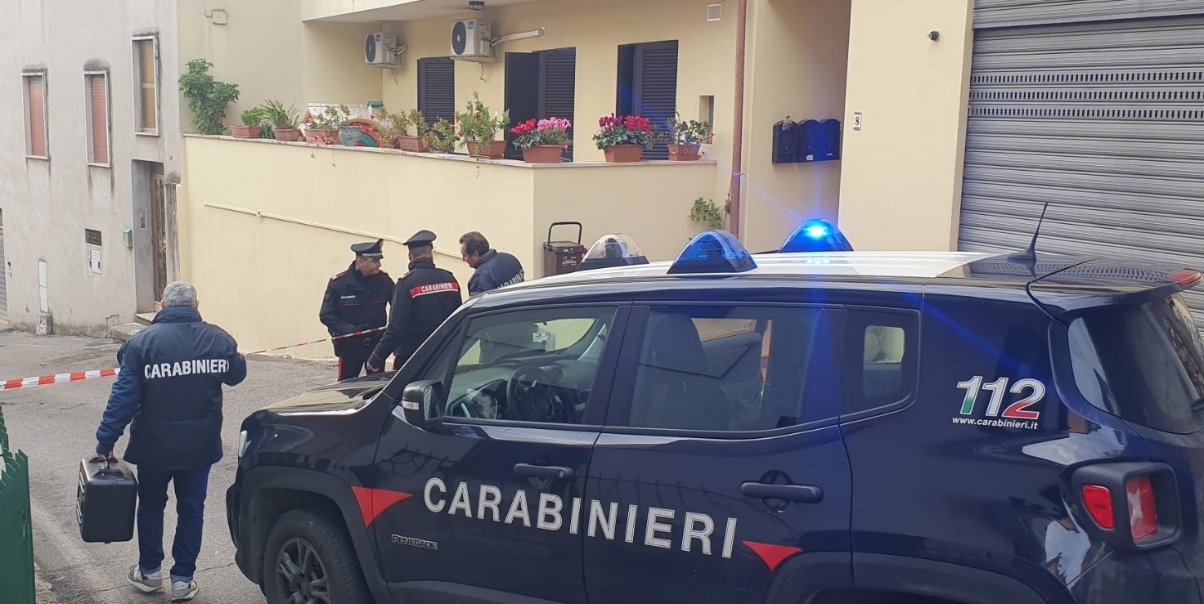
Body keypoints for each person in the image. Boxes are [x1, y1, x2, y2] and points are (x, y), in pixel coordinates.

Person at [94, 281, 247, 602]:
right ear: (196, 305)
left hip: (154, 448)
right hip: (199, 447)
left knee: (151, 505)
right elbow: (236, 375)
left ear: (162, 306)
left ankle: (149, 572)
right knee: (192, 509)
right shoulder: (218, 339)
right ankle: (182, 579)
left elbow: (123, 399)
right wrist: (237, 356)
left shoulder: (141, 345)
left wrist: (106, 441)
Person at [366, 230, 463, 373]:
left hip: (411, 356)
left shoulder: (406, 283)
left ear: (410, 256)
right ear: (431, 254)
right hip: (443, 353)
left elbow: (396, 328)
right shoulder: (450, 279)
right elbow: (458, 318)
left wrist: (377, 357)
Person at [319, 238, 394, 381]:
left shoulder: (384, 281)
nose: (379, 264)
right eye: (375, 261)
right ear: (360, 262)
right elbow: (326, 315)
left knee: (376, 385)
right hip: (350, 348)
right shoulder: (339, 284)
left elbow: (398, 307)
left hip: (376, 347)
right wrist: (352, 330)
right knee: (346, 387)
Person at [459, 231, 525, 296]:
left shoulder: (479, 279)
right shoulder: (510, 259)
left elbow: (479, 303)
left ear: (475, 254)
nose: (463, 259)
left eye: (465, 255)